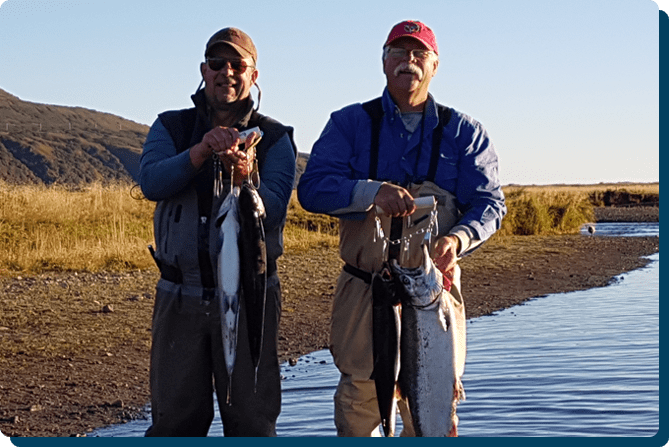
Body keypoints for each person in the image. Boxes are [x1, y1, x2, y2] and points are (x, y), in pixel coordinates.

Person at [297, 20, 506, 436]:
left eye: (418, 54)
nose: (408, 62)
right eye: (398, 53)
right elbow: (313, 190)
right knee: (359, 399)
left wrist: (458, 238)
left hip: (436, 289)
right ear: (384, 62)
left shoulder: (465, 133)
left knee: (435, 397)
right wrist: (370, 192)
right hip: (364, 288)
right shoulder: (348, 124)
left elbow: (490, 204)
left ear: (434, 65)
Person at [139, 27, 296, 436]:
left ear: (253, 75)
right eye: (216, 63)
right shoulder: (170, 127)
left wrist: (247, 177)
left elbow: (274, 210)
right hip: (180, 296)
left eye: (237, 64)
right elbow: (152, 183)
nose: (226, 71)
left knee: (252, 423)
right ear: (203, 70)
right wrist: (200, 151)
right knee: (174, 424)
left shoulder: (276, 138)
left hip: (252, 297)